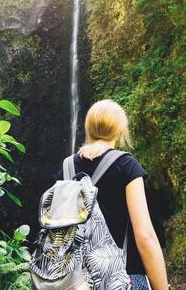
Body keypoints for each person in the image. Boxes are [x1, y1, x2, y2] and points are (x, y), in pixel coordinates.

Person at [56, 99, 170, 290]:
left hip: (76, 282)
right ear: (120, 130)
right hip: (123, 279)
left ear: (89, 128)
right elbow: (144, 236)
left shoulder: (66, 168)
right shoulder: (127, 166)